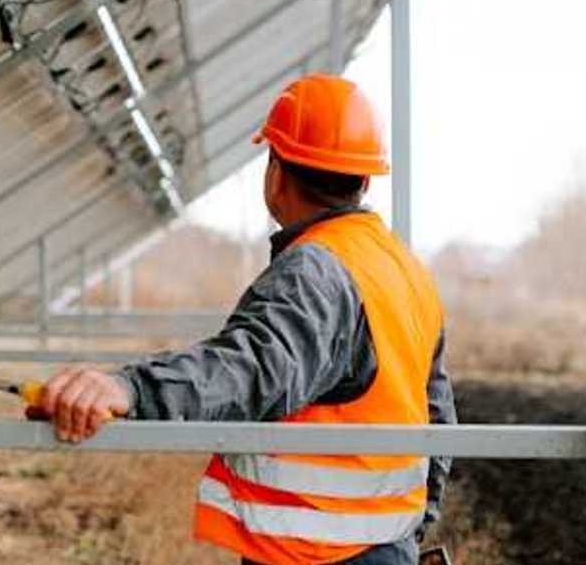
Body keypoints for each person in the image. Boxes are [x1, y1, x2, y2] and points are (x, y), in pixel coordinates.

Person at [33, 74, 457, 565]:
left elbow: (253, 367)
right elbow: (437, 417)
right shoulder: (403, 269)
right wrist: (410, 529)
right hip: (386, 547)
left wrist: (133, 389)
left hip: (316, 555)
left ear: (275, 172)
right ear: (364, 180)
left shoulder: (316, 268)